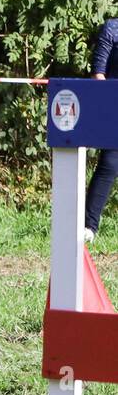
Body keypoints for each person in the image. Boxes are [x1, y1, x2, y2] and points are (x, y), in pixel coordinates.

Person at [84, 17, 118, 241]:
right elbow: (99, 71)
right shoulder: (112, 28)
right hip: (114, 104)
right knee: (110, 165)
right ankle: (88, 227)